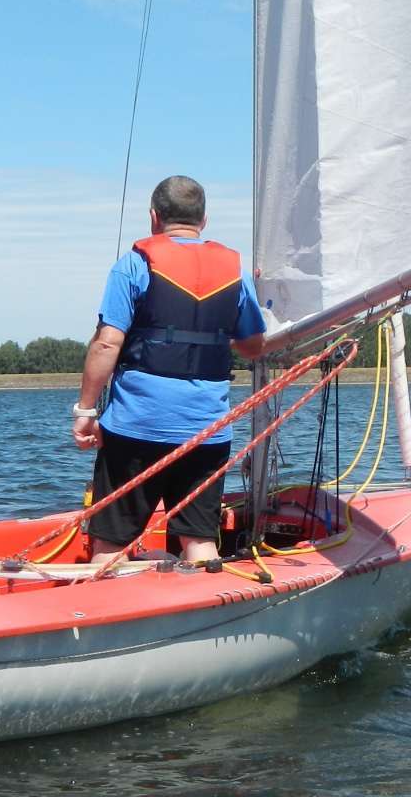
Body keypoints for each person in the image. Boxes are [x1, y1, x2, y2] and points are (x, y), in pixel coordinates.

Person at [72, 176, 268, 564]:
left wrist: (86, 410)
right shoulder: (235, 273)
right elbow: (252, 346)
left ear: (154, 217)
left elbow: (107, 343)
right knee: (199, 541)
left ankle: (110, 594)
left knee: (109, 547)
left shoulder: (133, 265)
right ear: (204, 219)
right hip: (206, 430)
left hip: (135, 427)